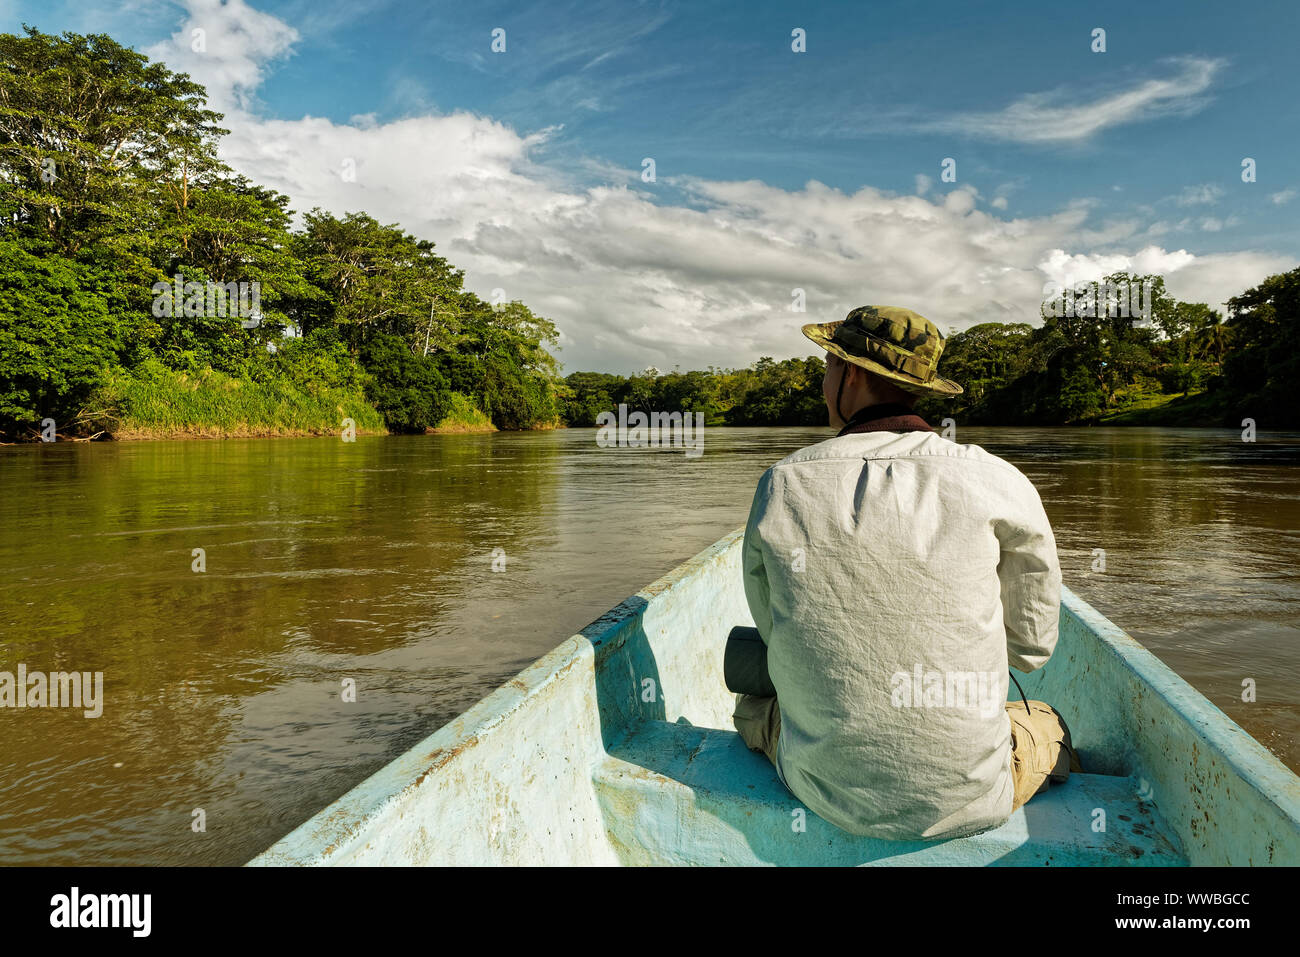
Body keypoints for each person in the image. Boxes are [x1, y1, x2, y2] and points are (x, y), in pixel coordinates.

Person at [729, 305, 1081, 840]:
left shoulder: (782, 484)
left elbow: (779, 636)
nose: (824, 384)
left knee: (753, 704)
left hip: (817, 788)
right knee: (1048, 723)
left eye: (828, 367)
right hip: (974, 795)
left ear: (850, 374)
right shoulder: (998, 480)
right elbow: (1031, 650)